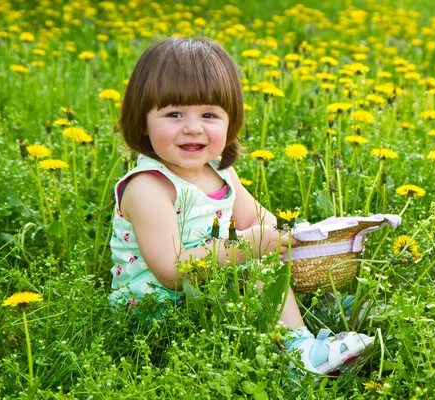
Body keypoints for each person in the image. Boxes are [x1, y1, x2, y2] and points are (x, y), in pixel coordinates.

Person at [109, 37, 373, 376]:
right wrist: (249, 247)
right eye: (174, 113)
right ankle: (299, 354)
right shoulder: (148, 187)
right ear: (142, 120)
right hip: (155, 313)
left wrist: (302, 237)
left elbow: (258, 219)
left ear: (230, 120)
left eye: (209, 114)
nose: (193, 127)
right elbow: (172, 272)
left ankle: (322, 314)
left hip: (208, 294)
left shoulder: (221, 171)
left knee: (262, 258)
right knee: (255, 265)